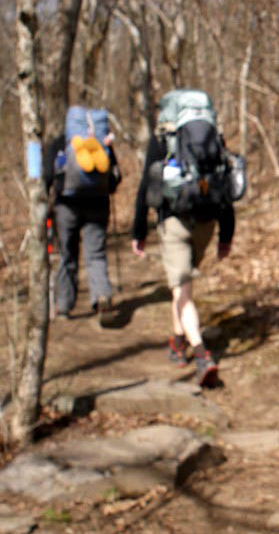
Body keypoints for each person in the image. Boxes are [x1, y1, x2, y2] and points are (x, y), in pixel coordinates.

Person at [130, 90, 234, 388]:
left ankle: (201, 355)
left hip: (173, 222)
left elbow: (144, 189)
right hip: (208, 221)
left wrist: (138, 232)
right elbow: (224, 187)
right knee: (183, 290)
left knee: (182, 292)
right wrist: (226, 234)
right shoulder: (214, 137)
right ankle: (177, 343)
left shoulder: (162, 139)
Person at [44, 109, 121, 326]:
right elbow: (114, 177)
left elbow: (47, 177)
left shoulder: (61, 143)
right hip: (98, 204)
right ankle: (102, 296)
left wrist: (47, 199)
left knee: (67, 255)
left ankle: (63, 306)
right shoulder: (100, 142)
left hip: (66, 206)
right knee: (95, 254)